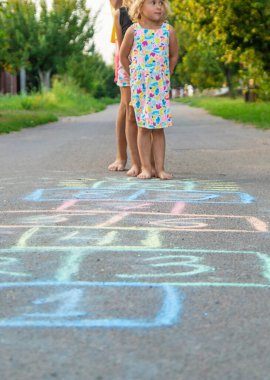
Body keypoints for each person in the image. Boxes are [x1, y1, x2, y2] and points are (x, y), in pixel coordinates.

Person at [120, 0, 179, 179]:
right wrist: (134, 76)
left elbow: (174, 54)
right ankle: (146, 167)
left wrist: (167, 73)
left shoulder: (167, 30)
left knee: (158, 128)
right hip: (140, 89)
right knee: (143, 127)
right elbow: (123, 56)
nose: (158, 7)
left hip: (159, 87)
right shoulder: (133, 31)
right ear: (140, 7)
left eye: (161, 3)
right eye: (153, 3)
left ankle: (159, 168)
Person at [108, 0, 127, 172]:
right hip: (124, 40)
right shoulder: (120, 12)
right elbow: (115, 4)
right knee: (126, 103)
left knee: (145, 105)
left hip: (148, 38)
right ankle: (121, 156)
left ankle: (147, 159)